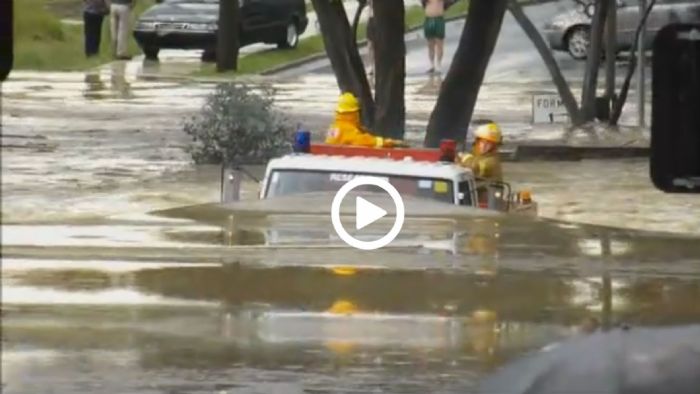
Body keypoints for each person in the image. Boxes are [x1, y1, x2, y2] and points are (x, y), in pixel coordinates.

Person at [325, 92, 403, 148]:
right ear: (353, 113)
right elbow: (363, 141)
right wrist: (387, 142)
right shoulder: (349, 129)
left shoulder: (335, 126)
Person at [422, 0, 446, 74]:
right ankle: (432, 65)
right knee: (430, 44)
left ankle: (439, 65)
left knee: (439, 43)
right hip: (428, 19)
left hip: (438, 19)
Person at [365, 0, 375, 76]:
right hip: (372, 19)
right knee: (370, 45)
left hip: (378, 18)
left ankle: (373, 66)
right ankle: (370, 66)